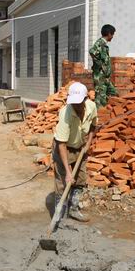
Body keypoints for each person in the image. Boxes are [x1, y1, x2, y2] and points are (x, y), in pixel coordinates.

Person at [52, 81, 97, 222]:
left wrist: (88, 144)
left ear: (85, 99)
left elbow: (93, 126)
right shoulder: (65, 113)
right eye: (74, 102)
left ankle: (74, 209)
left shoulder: (91, 106)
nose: (76, 105)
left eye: (79, 102)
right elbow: (61, 144)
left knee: (80, 179)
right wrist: (68, 172)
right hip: (63, 149)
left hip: (80, 147)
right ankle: (59, 214)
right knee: (63, 182)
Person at [89, 24, 118, 108]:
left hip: (105, 78)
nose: (112, 37)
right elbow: (92, 51)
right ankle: (99, 118)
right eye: (112, 34)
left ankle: (108, 113)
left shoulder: (104, 45)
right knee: (100, 100)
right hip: (100, 78)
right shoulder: (100, 43)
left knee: (113, 93)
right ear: (109, 34)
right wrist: (100, 65)